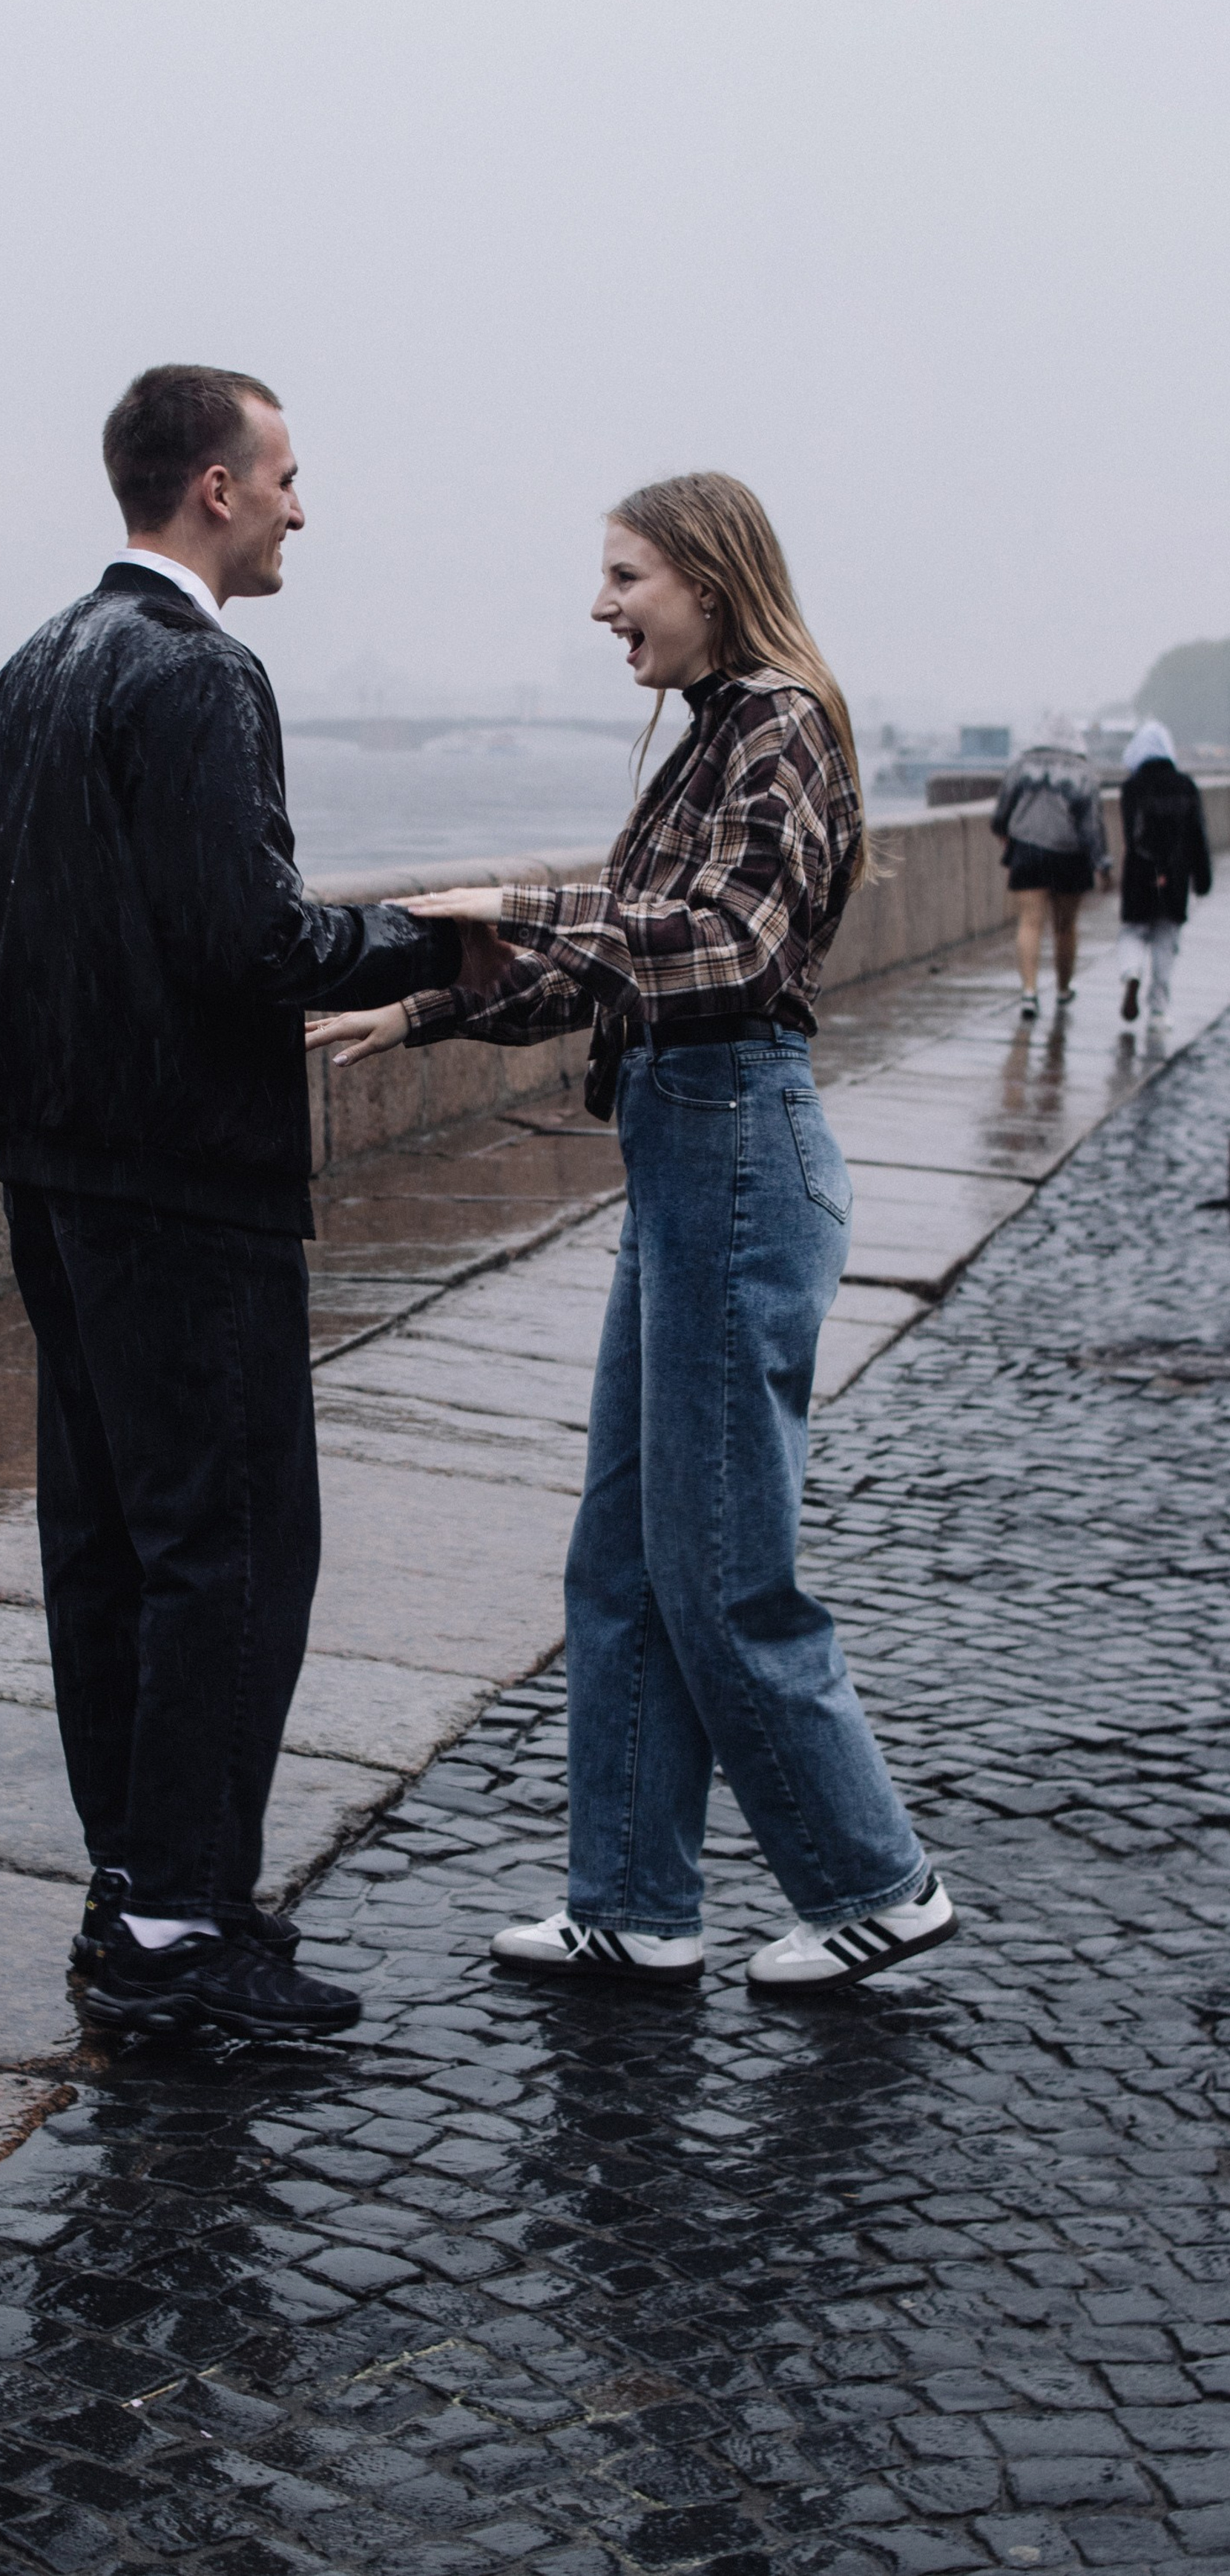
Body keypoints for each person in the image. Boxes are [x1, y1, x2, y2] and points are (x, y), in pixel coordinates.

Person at [306, 472, 955, 1994]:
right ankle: (634, 1899)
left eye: (622, 577)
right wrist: (422, 1007)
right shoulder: (713, 731)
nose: (600, 609)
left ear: (708, 575)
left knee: (720, 1566)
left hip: (735, 1149)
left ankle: (877, 1883)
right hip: (686, 1147)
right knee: (618, 1559)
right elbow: (627, 963)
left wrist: (526, 906)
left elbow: (724, 944)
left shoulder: (780, 718)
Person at [0, 365, 473, 2042]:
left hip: (55, 1174)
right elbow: (251, 945)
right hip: (186, 1180)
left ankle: (138, 1888)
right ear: (214, 490)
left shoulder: (15, 680)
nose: (303, 509)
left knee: (101, 1540)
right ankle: (179, 1923)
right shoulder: (199, 680)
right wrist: (440, 937)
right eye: (287, 475)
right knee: (232, 1548)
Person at [989, 738, 1110, 1020]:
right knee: (1065, 927)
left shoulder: (1022, 765)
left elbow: (1001, 812)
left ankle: (1029, 992)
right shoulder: (1083, 771)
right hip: (1071, 856)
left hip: (1027, 851)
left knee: (1030, 923)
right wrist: (1102, 863)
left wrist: (1005, 832)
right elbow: (1092, 824)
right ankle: (1063, 989)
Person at [1114, 718, 1212, 1025]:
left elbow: (1133, 834)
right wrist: (1202, 877)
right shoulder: (1185, 786)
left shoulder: (1132, 787)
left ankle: (1131, 973)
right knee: (1165, 939)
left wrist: (1149, 864)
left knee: (1133, 930)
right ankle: (1158, 1010)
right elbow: (1197, 835)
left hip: (1140, 872)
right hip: (1176, 873)